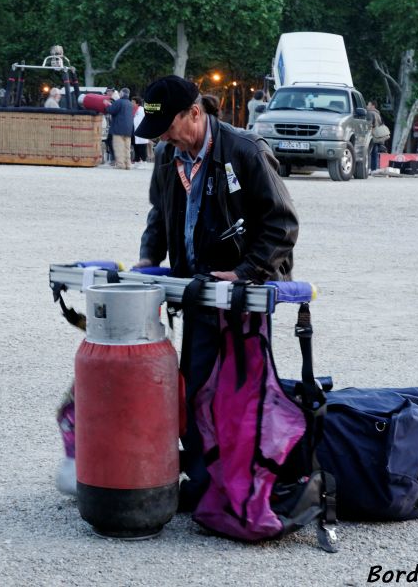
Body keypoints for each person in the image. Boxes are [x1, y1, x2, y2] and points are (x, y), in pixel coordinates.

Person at [132, 75, 299, 510]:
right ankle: (207, 481)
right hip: (197, 289)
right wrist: (149, 260)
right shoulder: (170, 153)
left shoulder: (245, 151)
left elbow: (283, 224)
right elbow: (158, 212)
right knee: (194, 383)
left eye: (169, 126)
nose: (164, 137)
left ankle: (230, 485)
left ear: (195, 113)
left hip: (239, 291)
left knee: (230, 390)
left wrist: (245, 271)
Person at [105, 87, 135, 170]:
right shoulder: (130, 104)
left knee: (119, 147)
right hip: (128, 129)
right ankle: (128, 164)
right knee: (127, 148)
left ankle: (120, 164)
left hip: (119, 128)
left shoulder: (119, 102)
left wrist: (107, 104)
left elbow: (111, 110)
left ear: (121, 94)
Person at [132, 96, 149, 167]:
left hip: (141, 131)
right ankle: (137, 161)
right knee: (136, 146)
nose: (131, 103)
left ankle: (144, 161)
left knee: (142, 147)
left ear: (137, 103)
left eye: (133, 102)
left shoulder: (142, 110)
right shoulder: (133, 110)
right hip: (134, 131)